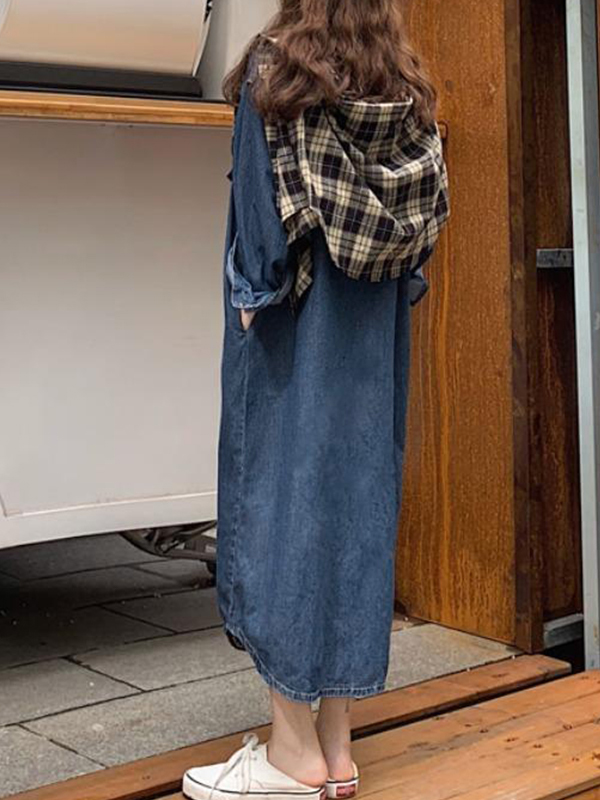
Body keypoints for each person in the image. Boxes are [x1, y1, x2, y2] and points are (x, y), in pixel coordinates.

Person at [183, 2, 449, 799]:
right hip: (371, 333)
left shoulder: (277, 71)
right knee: (353, 510)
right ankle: (337, 750)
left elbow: (261, 232)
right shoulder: (402, 79)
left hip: (293, 325)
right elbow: (418, 240)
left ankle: (292, 755)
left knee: (279, 508)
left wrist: (250, 299)